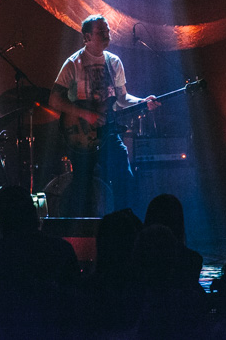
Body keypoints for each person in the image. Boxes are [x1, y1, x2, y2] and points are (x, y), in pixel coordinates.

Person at [49, 14, 158, 215]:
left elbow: (122, 98)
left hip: (108, 131)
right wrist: (85, 114)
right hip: (81, 135)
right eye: (101, 31)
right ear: (87, 37)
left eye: (107, 31)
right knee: (83, 187)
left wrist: (142, 102)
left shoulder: (114, 62)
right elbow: (55, 100)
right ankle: (83, 228)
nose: (107, 35)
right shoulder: (73, 63)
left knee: (124, 179)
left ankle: (123, 223)